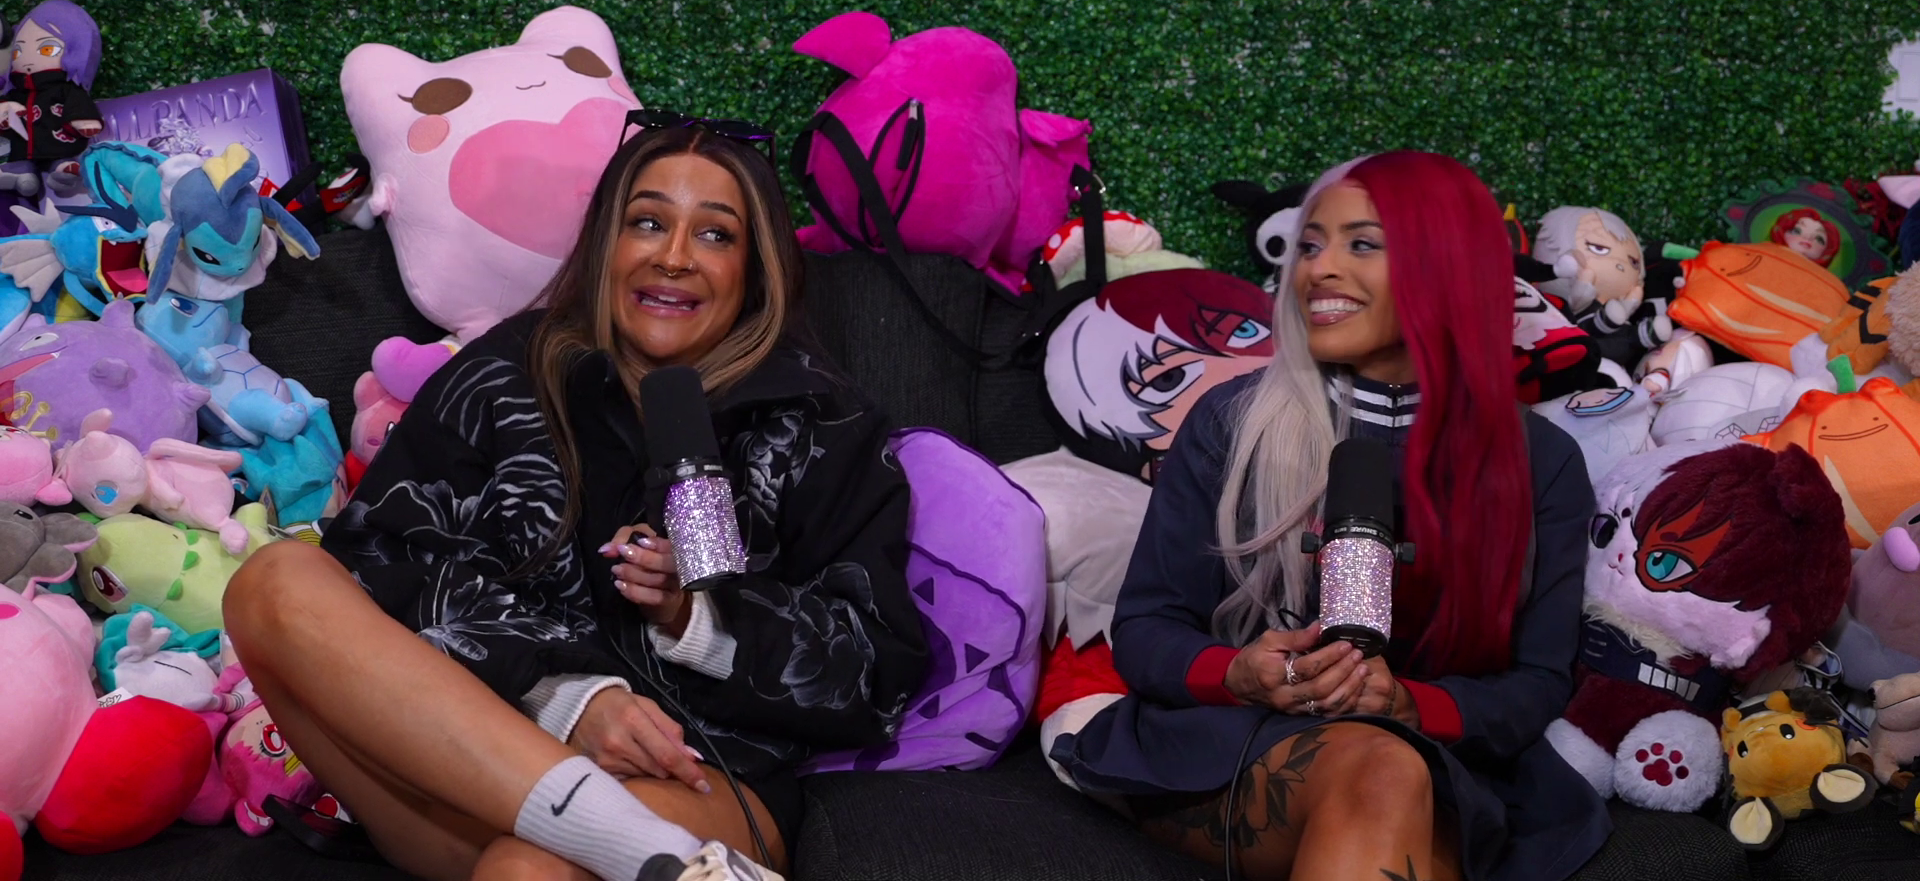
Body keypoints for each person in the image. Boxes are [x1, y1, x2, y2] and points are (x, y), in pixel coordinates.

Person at [224, 116, 928, 881]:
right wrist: (567, 696)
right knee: (274, 581)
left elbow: (873, 672)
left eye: (716, 234)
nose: (674, 256)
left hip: (699, 777)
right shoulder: (503, 374)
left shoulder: (821, 424)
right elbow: (383, 563)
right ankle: (660, 860)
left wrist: (695, 617)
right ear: (605, 246)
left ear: (756, 269)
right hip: (463, 766)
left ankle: (648, 847)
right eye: (648, 222)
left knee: (528, 873)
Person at [1053, 151, 1609, 881]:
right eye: (1310, 245)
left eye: (1362, 244)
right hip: (1230, 742)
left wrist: (1407, 704)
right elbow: (1147, 630)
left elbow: (1536, 682)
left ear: (1450, 265)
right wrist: (1241, 673)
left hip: (1449, 765)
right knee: (1385, 774)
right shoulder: (1229, 421)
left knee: (1398, 776)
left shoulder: (1544, 462)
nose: (1319, 269)